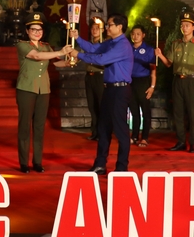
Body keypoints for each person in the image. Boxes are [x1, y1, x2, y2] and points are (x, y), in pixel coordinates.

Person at [71, 13, 134, 174]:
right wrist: (77, 38)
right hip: (110, 88)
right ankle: (100, 164)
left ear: (119, 27)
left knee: (120, 129)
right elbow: (94, 49)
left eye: (109, 25)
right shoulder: (111, 42)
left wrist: (78, 55)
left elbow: (101, 59)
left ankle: (121, 167)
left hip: (120, 90)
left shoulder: (122, 45)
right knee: (103, 127)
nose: (106, 28)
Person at [13, 12, 72, 173]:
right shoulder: (22, 45)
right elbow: (37, 56)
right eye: (33, 29)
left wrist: (70, 61)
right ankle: (23, 163)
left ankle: (37, 162)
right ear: (27, 31)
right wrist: (60, 52)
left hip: (44, 89)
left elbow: (54, 63)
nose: (37, 32)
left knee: (39, 127)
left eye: (39, 30)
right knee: (25, 126)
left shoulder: (46, 46)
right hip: (26, 88)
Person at [154, 11, 194, 153]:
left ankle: (193, 143)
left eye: (187, 25)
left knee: (193, 113)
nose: (184, 28)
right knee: (178, 113)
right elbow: (168, 63)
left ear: (193, 27)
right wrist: (160, 55)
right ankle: (181, 141)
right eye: (183, 25)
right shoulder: (175, 44)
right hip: (177, 80)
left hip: (192, 81)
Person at [129, 24, 156, 147]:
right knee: (134, 110)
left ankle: (145, 137)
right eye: (133, 34)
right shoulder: (128, 48)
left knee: (145, 111)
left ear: (143, 35)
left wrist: (152, 86)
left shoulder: (149, 49)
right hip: (130, 81)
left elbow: (153, 69)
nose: (135, 36)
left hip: (143, 81)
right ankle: (134, 136)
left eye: (138, 34)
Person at [83, 19, 105, 141]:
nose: (94, 30)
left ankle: (102, 133)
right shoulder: (88, 45)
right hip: (89, 76)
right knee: (91, 105)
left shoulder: (105, 44)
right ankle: (95, 132)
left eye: (97, 28)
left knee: (101, 105)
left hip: (100, 76)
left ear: (102, 29)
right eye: (92, 28)